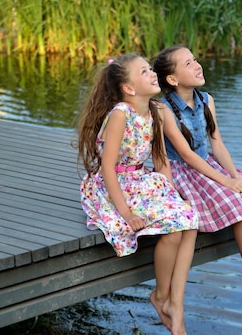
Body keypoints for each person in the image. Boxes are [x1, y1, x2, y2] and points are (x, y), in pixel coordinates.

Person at [152, 45, 242, 303]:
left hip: (209, 165)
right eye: (188, 64)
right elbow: (187, 155)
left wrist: (236, 177)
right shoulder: (162, 109)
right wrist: (227, 182)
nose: (197, 65)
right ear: (172, 80)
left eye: (195, 59)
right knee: (237, 201)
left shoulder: (207, 101)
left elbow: (217, 143)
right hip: (184, 172)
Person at [76, 53, 199, 335]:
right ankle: (161, 295)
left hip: (140, 180)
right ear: (129, 88)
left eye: (149, 69)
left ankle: (167, 299)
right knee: (175, 229)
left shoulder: (155, 111)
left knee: (187, 217)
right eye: (144, 72)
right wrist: (126, 213)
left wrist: (172, 196)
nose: (152, 73)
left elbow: (161, 161)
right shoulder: (120, 114)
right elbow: (107, 168)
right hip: (113, 185)